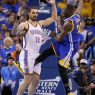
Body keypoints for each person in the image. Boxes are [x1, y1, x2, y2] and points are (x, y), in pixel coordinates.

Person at [34, 0, 83, 95]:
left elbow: (59, 39)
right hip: (67, 40)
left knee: (61, 69)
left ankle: (69, 92)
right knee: (47, 52)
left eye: (67, 7)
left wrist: (54, 34)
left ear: (72, 9)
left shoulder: (68, 23)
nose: (65, 8)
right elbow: (80, 5)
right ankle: (30, 66)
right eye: (66, 6)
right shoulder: (77, 14)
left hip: (70, 46)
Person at [16, 0, 57, 95]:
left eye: (36, 13)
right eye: (33, 13)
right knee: (27, 80)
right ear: (29, 14)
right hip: (27, 53)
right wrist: (19, 28)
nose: (35, 14)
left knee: (36, 80)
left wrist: (53, 4)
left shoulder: (40, 23)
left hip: (36, 54)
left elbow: (54, 18)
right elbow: (18, 30)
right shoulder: (25, 24)